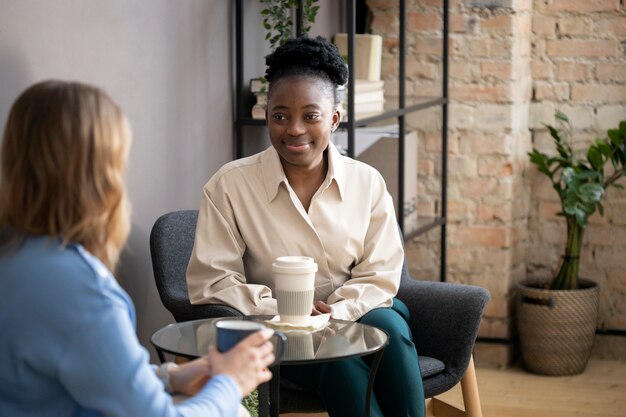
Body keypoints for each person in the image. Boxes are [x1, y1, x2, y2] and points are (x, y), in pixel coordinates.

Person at [0, 80, 276, 417]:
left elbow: (74, 365)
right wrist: (230, 382)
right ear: (101, 174)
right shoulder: (77, 290)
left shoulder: (17, 255)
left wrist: (170, 376)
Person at [186, 36, 426, 417]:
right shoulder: (229, 185)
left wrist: (335, 315)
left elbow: (380, 274)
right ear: (266, 116)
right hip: (278, 329)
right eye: (280, 116)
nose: (294, 129)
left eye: (310, 116)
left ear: (334, 118)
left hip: (358, 311)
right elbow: (211, 282)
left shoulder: (367, 182)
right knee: (337, 361)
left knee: (390, 331)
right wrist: (283, 309)